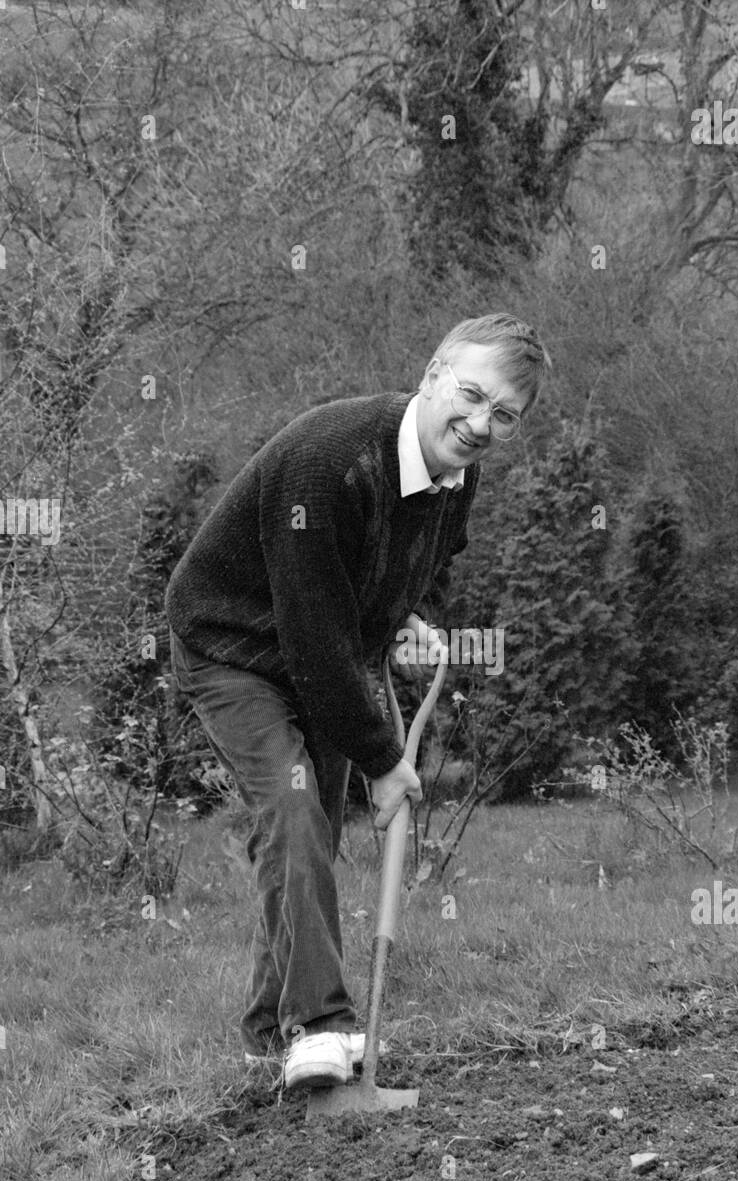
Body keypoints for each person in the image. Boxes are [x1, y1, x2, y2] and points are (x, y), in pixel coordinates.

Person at [165, 313, 551, 1089]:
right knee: (294, 809)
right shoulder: (329, 462)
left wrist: (408, 611)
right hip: (233, 647)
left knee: (307, 828)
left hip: (328, 654)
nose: (481, 424)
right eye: (472, 395)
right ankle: (322, 1027)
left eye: (504, 416)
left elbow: (420, 559)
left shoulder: (456, 478)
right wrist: (383, 760)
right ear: (434, 373)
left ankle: (264, 1038)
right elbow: (312, 638)